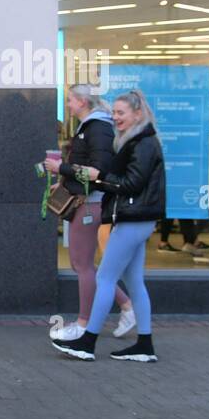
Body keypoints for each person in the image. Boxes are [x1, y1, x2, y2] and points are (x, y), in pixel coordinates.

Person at [53, 89, 165, 363]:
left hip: (133, 218)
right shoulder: (139, 140)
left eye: (121, 113)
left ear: (137, 114)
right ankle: (144, 344)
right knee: (134, 281)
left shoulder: (141, 143)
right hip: (137, 218)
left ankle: (87, 341)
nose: (115, 117)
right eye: (114, 112)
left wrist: (99, 176)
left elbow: (130, 184)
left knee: (104, 278)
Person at [43, 84, 135, 340]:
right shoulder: (95, 127)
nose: (69, 105)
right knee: (86, 265)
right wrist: (64, 179)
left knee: (82, 265)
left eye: (71, 100)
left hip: (90, 202)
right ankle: (126, 308)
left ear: (83, 102)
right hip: (90, 201)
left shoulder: (96, 128)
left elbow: (97, 169)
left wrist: (62, 169)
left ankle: (84, 324)